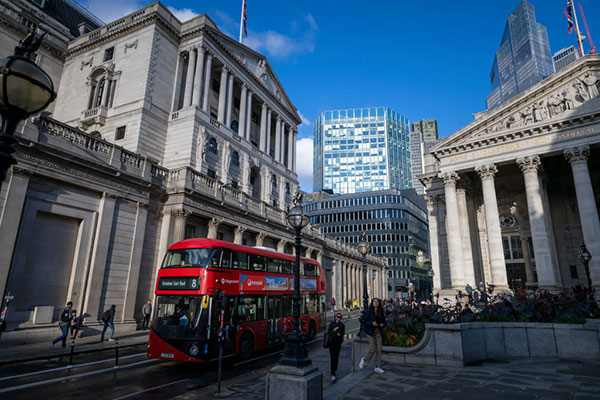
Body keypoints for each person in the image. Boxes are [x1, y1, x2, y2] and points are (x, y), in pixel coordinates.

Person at [358, 298, 386, 374]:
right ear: (372, 303)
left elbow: (384, 321)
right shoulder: (368, 312)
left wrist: (382, 324)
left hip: (378, 332)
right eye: (374, 301)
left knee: (379, 350)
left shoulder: (381, 311)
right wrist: (371, 323)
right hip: (370, 332)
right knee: (372, 349)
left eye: (377, 302)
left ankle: (378, 367)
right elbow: (364, 321)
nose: (376, 303)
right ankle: (364, 360)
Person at [328, 313, 345, 382]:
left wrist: (339, 333)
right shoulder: (332, 324)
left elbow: (342, 333)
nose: (338, 318)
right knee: (333, 357)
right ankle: (332, 373)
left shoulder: (342, 325)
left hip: (338, 343)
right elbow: (329, 332)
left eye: (340, 317)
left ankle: (334, 371)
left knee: (336, 357)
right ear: (335, 317)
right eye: (337, 317)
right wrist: (335, 332)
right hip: (331, 343)